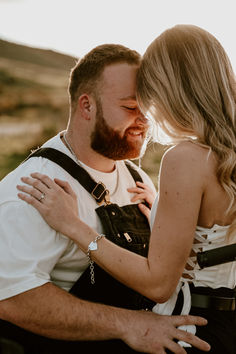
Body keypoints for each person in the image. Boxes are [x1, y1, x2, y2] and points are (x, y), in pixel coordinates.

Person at [18, 25, 236, 354]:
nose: (148, 110)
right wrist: (164, 209)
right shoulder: (224, 153)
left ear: (171, 87)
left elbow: (159, 284)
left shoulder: (185, 158)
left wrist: (73, 226)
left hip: (193, 328)